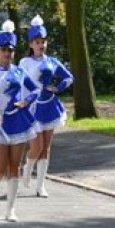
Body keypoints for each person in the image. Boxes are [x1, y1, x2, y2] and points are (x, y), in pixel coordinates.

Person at [0, 21, 39, 221]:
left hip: (18, 121)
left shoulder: (19, 71)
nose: (7, 53)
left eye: (11, 50)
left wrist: (27, 101)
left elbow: (35, 89)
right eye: (4, 50)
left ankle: (11, 209)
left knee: (15, 165)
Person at [19, 15, 73, 197]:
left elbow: (68, 77)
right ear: (31, 45)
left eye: (43, 41)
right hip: (32, 107)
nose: (41, 45)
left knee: (46, 147)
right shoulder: (24, 63)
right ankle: (27, 168)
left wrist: (58, 87)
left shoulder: (52, 62)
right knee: (36, 146)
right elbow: (20, 83)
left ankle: (41, 185)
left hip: (49, 105)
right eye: (37, 42)